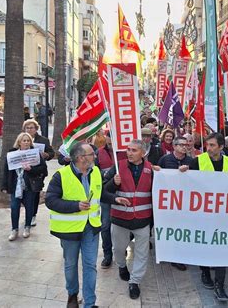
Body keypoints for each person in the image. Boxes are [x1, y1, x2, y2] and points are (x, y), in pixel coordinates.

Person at [45, 142, 130, 308]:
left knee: (90, 266)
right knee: (70, 265)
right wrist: (75, 206)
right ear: (80, 157)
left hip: (91, 229)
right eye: (92, 154)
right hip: (70, 231)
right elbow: (50, 200)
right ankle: (72, 294)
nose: (95, 157)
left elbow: (100, 193)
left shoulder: (96, 171)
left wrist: (114, 199)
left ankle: (89, 303)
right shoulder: (61, 175)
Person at [186, 132, 228, 301]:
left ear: (221, 147)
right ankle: (205, 272)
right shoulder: (197, 161)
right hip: (203, 214)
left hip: (223, 214)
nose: (209, 148)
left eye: (213, 145)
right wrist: (181, 173)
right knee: (205, 245)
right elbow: (186, 184)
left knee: (221, 249)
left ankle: (219, 285)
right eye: (208, 145)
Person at [104, 139, 155, 300]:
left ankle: (135, 281)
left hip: (142, 219)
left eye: (134, 150)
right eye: (128, 149)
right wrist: (113, 182)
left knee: (142, 253)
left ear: (143, 153)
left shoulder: (151, 169)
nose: (129, 153)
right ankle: (121, 265)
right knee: (119, 249)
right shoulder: (118, 167)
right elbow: (103, 191)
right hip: (120, 218)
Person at [156, 136, 193, 271]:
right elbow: (158, 177)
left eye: (186, 145)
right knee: (169, 228)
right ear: (174, 146)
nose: (184, 147)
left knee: (182, 228)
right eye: (181, 145)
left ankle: (178, 256)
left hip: (185, 201)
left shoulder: (190, 161)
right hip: (168, 202)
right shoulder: (165, 160)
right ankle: (167, 254)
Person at [3, 132, 46, 241]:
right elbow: (6, 171)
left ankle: (27, 227)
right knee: (14, 207)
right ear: (19, 142)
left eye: (28, 140)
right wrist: (4, 186)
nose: (26, 142)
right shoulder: (12, 154)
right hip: (15, 186)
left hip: (29, 186)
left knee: (29, 206)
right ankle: (14, 229)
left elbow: (43, 169)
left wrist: (31, 169)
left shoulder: (35, 154)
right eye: (24, 140)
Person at [96, 132, 126, 269]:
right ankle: (107, 254)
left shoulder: (124, 153)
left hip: (123, 193)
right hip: (106, 193)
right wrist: (105, 174)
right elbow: (93, 170)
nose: (110, 143)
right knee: (106, 225)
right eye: (108, 141)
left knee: (123, 225)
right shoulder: (99, 152)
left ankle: (121, 248)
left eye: (112, 140)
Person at [23, 119, 55, 227]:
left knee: (35, 193)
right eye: (27, 128)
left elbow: (51, 153)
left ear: (36, 129)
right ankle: (28, 212)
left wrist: (46, 155)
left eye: (31, 127)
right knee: (25, 193)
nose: (29, 130)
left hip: (38, 172)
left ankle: (33, 215)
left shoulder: (43, 140)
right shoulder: (22, 139)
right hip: (25, 171)